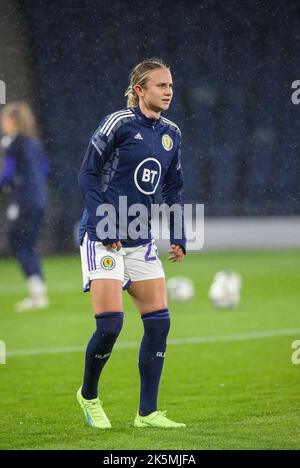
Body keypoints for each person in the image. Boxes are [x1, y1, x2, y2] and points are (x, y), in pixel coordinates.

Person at [77, 58, 186, 429]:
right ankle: (88, 396)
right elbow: (87, 174)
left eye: (170, 85)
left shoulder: (172, 132)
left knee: (159, 323)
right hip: (102, 238)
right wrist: (105, 222)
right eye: (160, 85)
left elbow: (173, 188)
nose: (168, 91)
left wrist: (179, 235)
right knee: (110, 325)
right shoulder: (118, 124)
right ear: (140, 90)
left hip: (140, 239)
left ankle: (147, 413)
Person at [0, 101, 49, 311]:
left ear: (13, 121)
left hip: (23, 201)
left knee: (17, 242)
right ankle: (38, 292)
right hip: (39, 200)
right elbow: (46, 169)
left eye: (5, 119)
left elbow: (8, 173)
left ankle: (37, 293)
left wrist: (9, 185)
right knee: (27, 243)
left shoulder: (14, 143)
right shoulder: (33, 142)